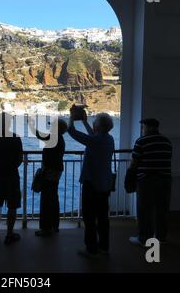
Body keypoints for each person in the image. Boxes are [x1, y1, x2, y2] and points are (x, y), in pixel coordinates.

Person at [68, 107, 115, 258]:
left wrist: (71, 117)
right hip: (105, 184)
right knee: (102, 217)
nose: (93, 124)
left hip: (92, 184)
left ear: (99, 126)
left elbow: (72, 132)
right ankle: (104, 247)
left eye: (95, 122)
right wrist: (85, 121)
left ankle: (91, 249)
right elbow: (93, 136)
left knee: (89, 217)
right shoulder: (108, 138)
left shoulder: (97, 140)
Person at [129, 118, 173, 246]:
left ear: (147, 127)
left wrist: (130, 175)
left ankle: (144, 238)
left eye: (143, 127)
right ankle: (161, 237)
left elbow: (134, 162)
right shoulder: (167, 141)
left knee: (144, 210)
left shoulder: (141, 141)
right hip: (165, 179)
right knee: (162, 209)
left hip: (147, 180)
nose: (142, 130)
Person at [0, 112, 23, 244]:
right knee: (12, 206)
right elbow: (19, 159)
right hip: (12, 176)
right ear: (9, 123)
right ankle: (9, 234)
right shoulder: (16, 138)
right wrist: (12, 166)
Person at [28, 118, 67, 237]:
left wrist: (31, 125)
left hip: (50, 171)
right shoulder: (59, 138)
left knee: (46, 199)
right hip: (56, 171)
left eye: (53, 125)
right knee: (53, 198)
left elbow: (39, 135)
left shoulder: (54, 137)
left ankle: (46, 228)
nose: (51, 127)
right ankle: (55, 225)